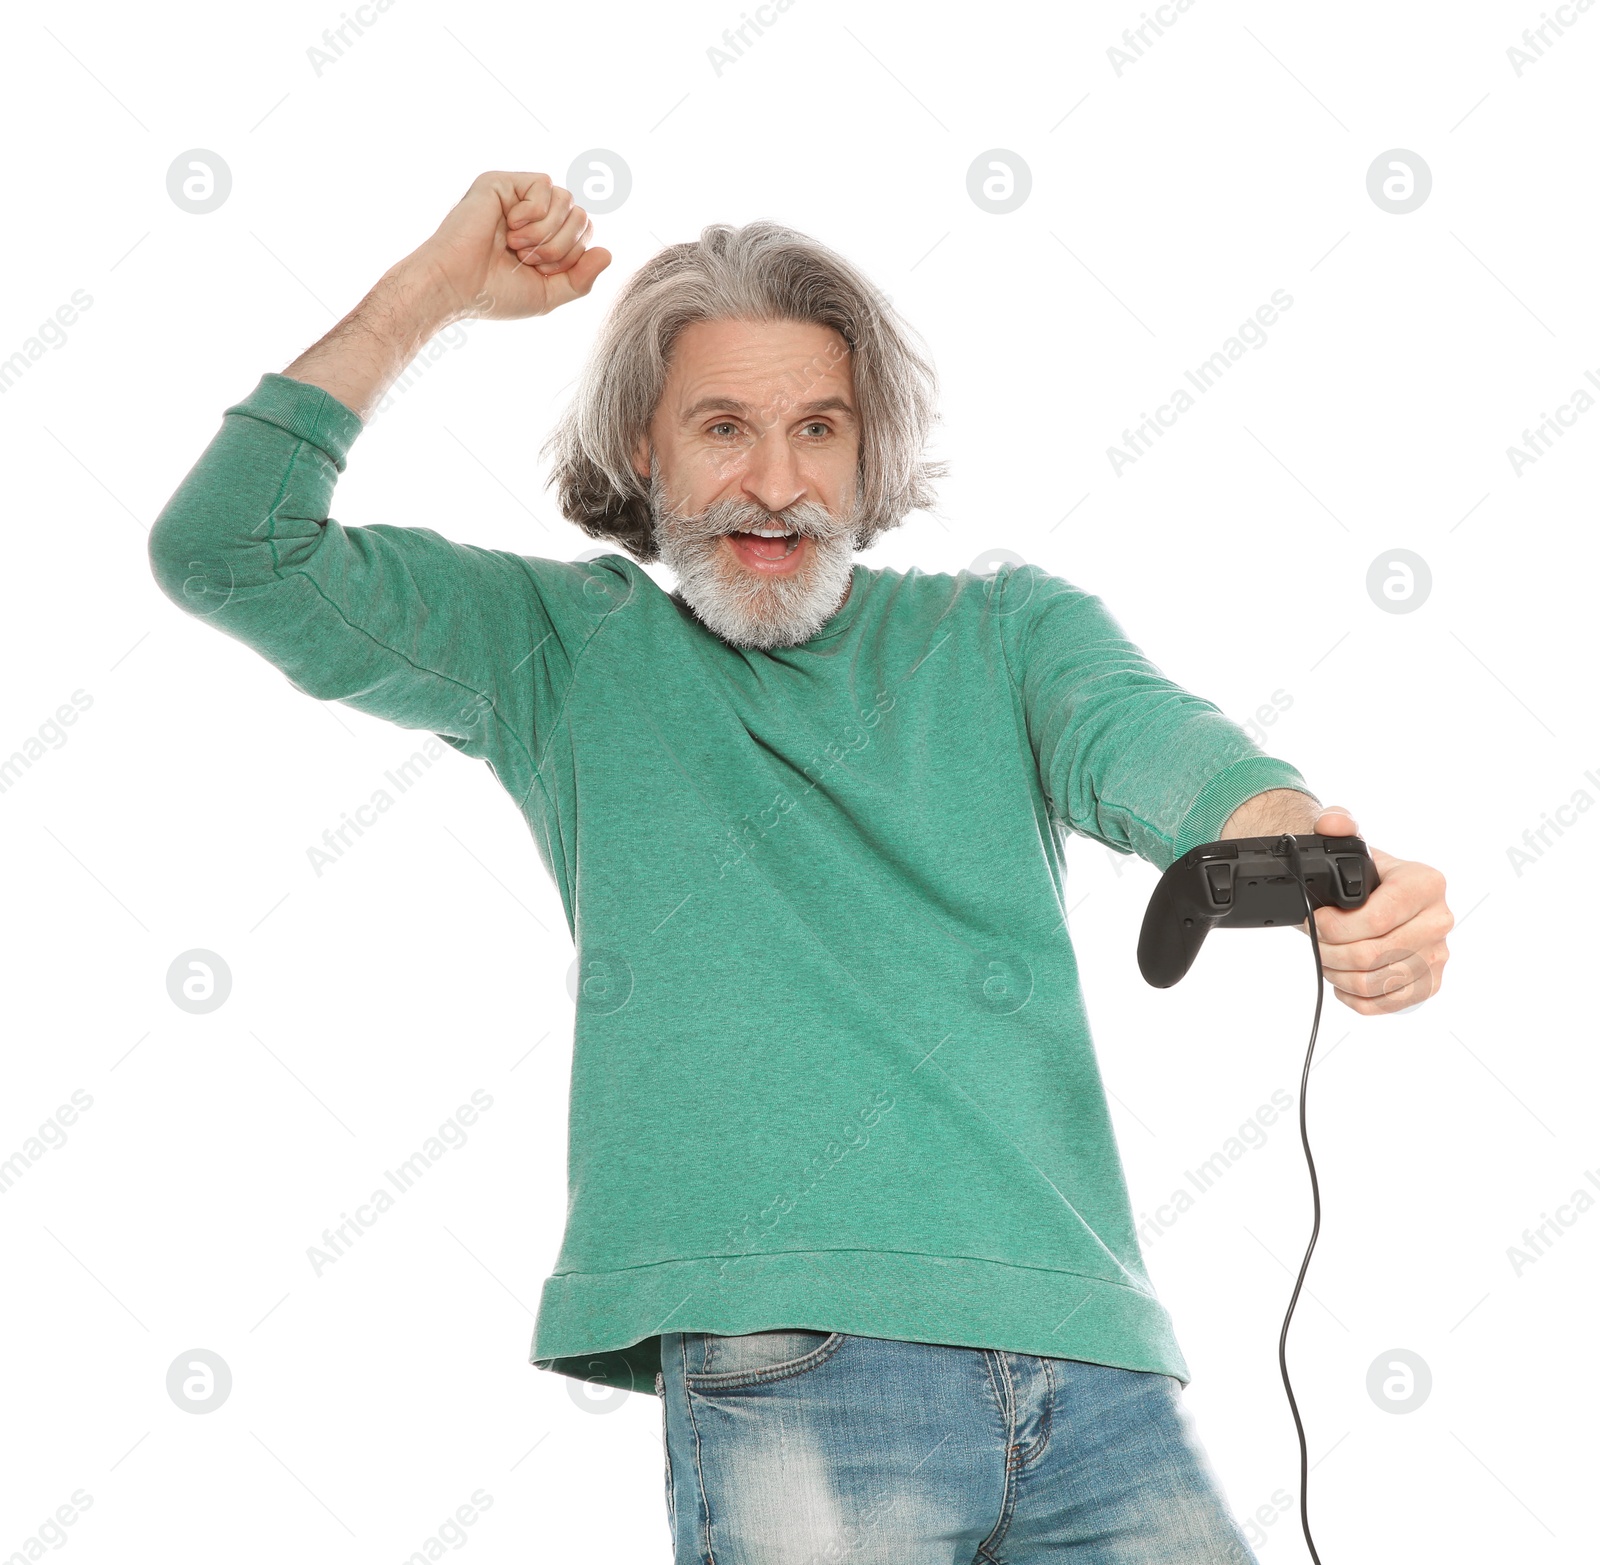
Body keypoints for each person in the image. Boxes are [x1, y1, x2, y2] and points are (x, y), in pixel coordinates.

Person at [149, 171, 1452, 1562]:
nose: (777, 483)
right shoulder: (566, 655)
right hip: (798, 1360)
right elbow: (228, 549)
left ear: (866, 453)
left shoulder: (1002, 632)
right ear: (642, 454)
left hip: (1091, 1355)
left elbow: (1168, 755)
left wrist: (1310, 855)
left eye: (818, 430)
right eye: (724, 427)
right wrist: (434, 293)